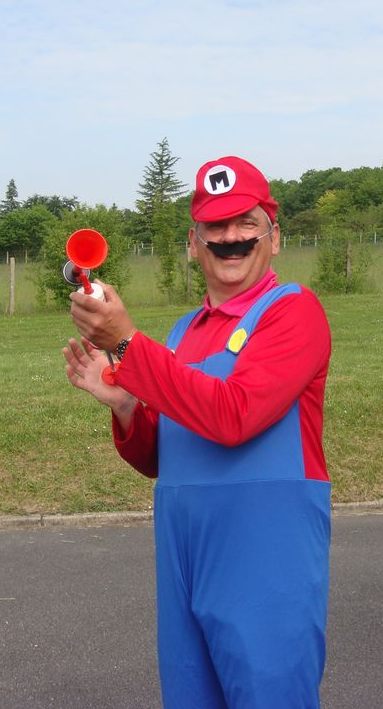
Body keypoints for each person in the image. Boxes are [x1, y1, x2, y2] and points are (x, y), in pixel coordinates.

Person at [63, 155, 332, 709]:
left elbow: (234, 416)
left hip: (265, 555)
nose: (231, 237)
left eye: (247, 223)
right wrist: (125, 404)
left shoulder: (293, 311)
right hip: (182, 556)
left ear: (274, 237)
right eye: (216, 226)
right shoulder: (182, 332)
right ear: (194, 243)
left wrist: (127, 345)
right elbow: (161, 456)